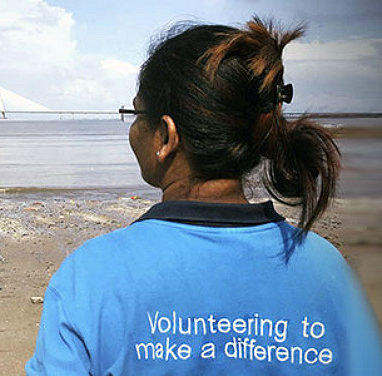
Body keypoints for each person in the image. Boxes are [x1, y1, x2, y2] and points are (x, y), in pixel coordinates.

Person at [26, 17, 382, 375]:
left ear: (165, 136)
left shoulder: (89, 277)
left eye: (136, 113)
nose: (133, 129)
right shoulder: (328, 271)